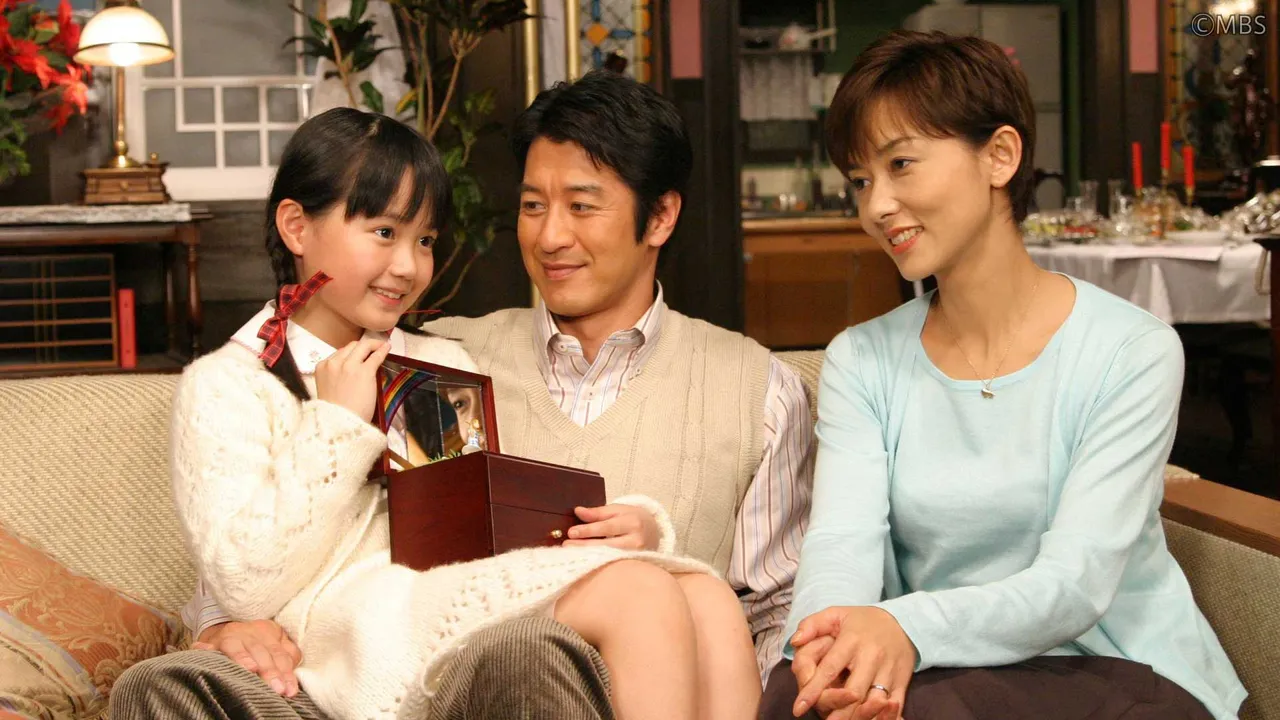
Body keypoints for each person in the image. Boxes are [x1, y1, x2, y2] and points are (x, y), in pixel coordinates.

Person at [119, 70, 813, 720]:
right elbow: (238, 563)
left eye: (423, 241)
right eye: (533, 206)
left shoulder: (435, 360)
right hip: (374, 620)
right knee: (636, 593)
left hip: (445, 599)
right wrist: (221, 620)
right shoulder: (253, 376)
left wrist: (646, 530)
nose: (406, 266)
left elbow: (456, 524)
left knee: (708, 596)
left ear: (658, 218)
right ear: (297, 227)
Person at [758, 30, 1246, 720]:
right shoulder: (860, 358)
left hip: (1113, 665)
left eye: (901, 165)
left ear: (1000, 156)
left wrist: (902, 628)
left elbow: (1076, 583)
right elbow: (843, 539)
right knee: (796, 695)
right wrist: (828, 645)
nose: (876, 206)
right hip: (941, 663)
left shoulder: (1132, 349)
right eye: (861, 181)